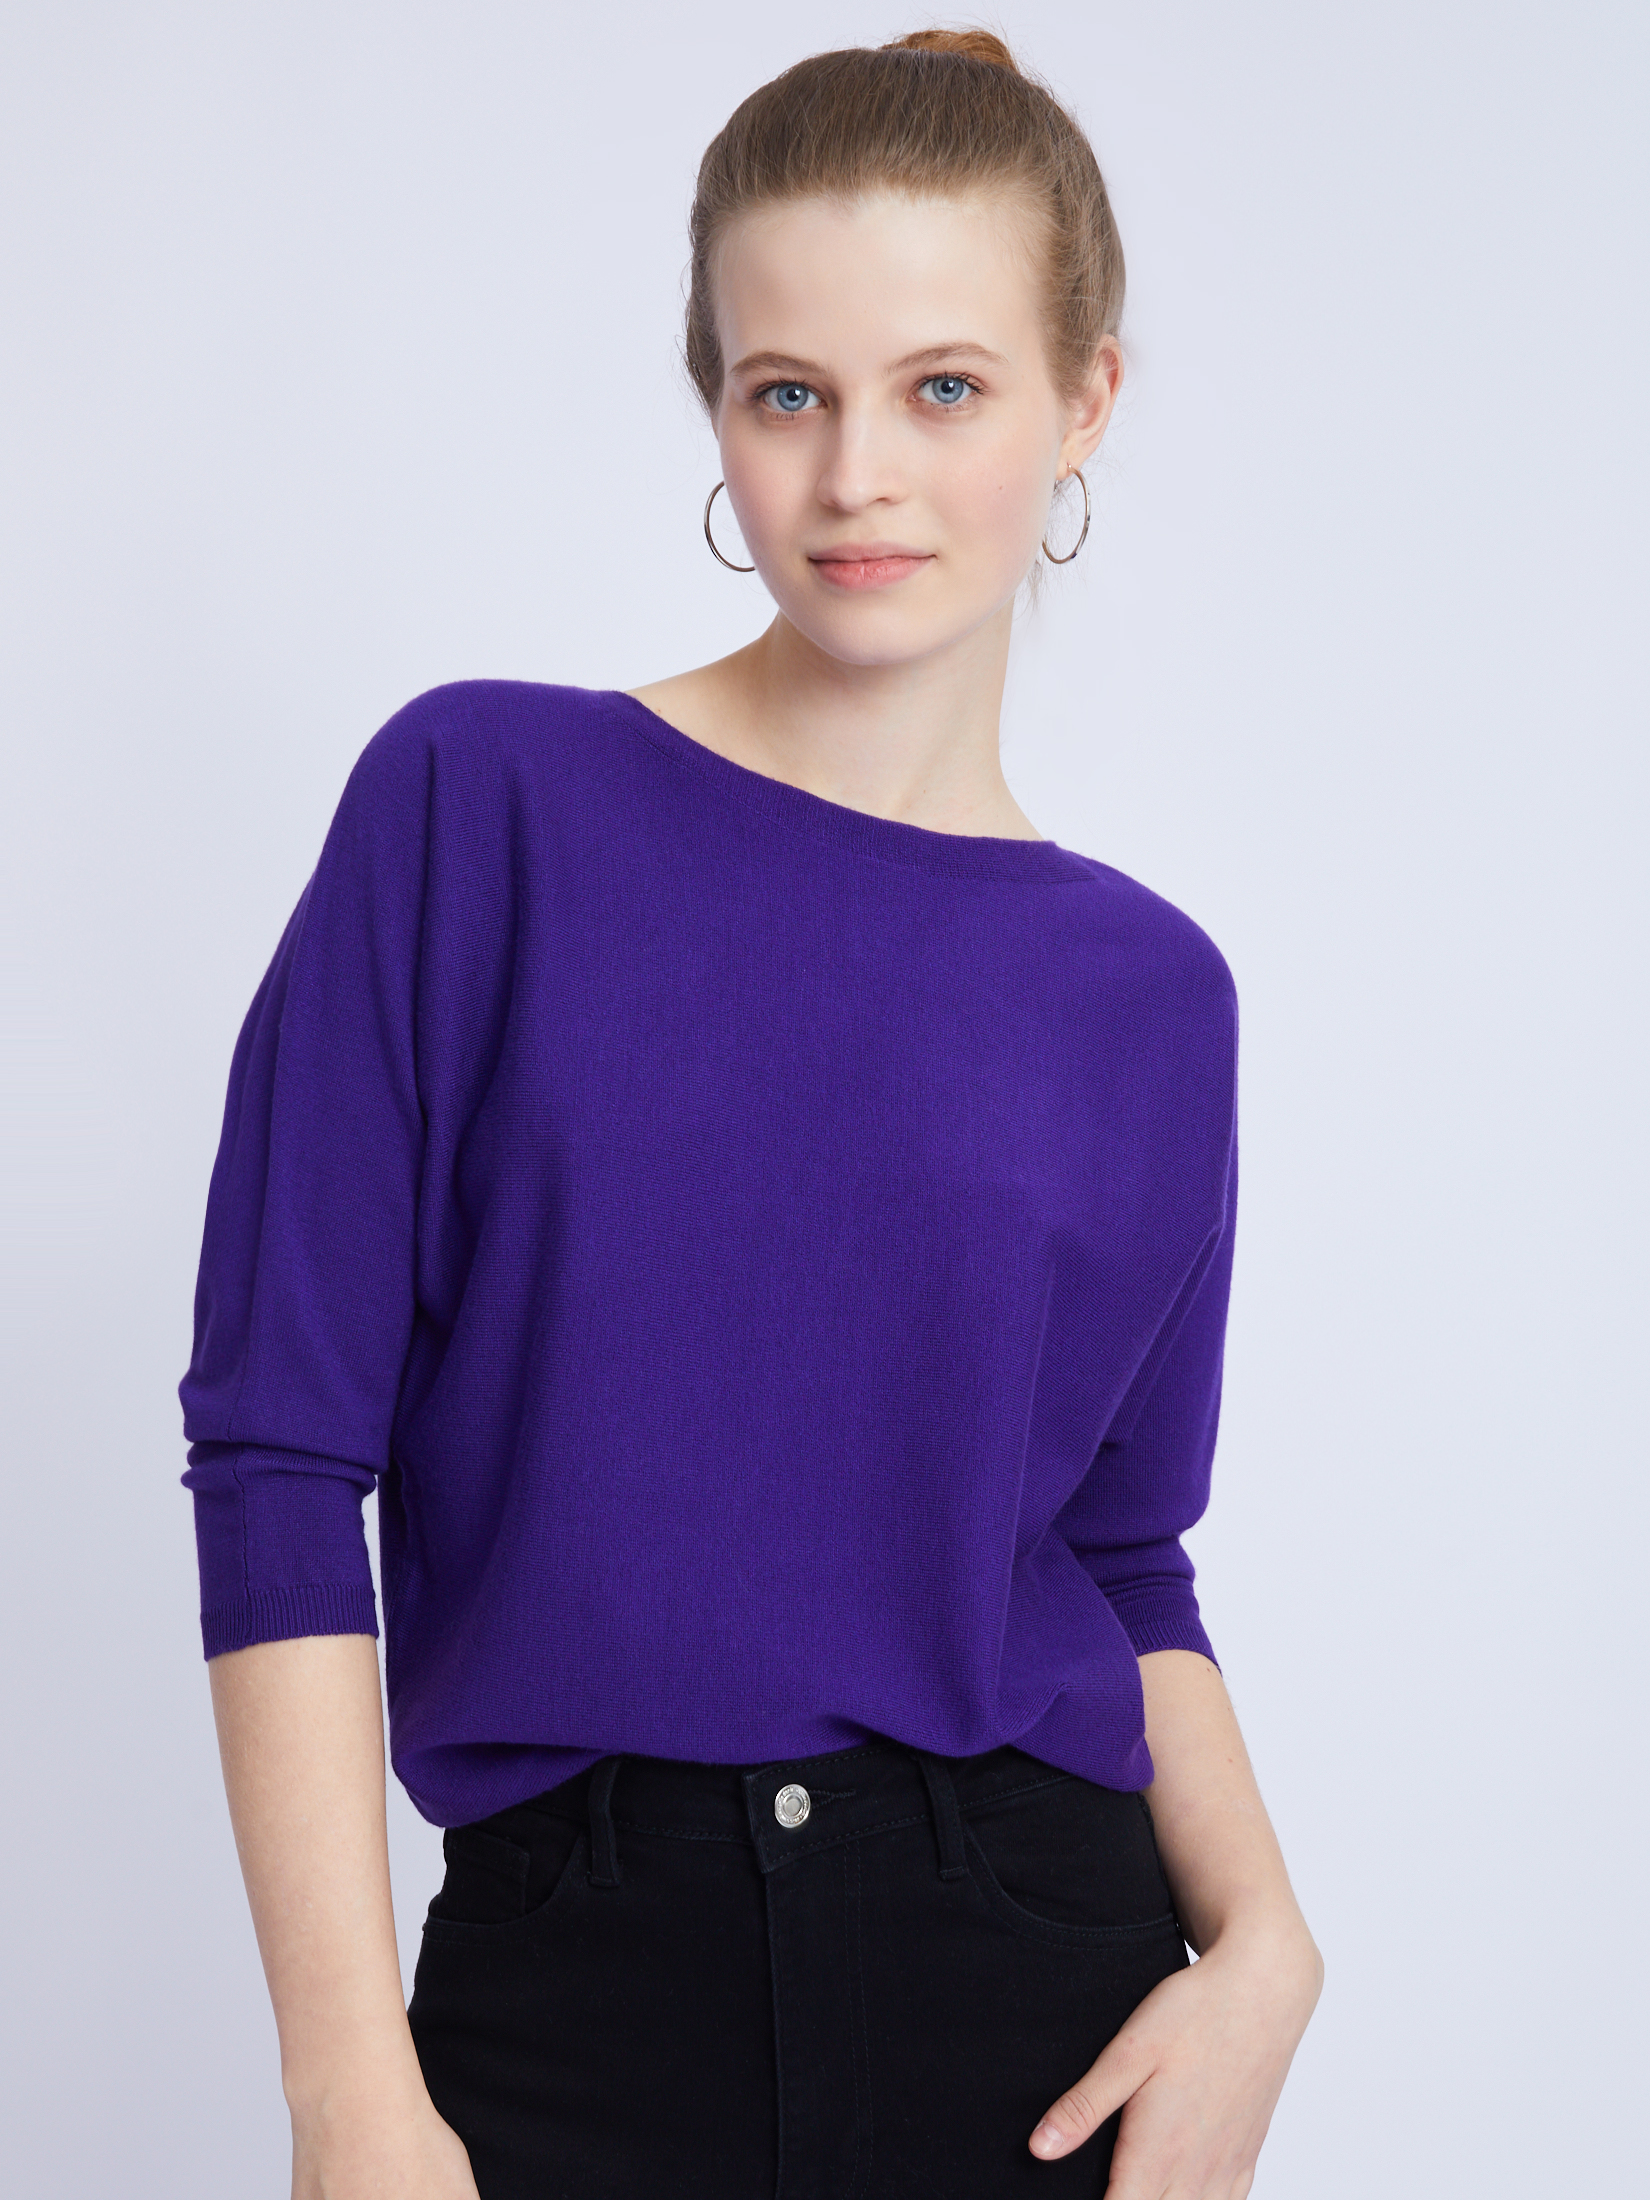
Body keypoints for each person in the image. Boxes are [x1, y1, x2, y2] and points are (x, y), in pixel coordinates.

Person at [181, 27, 1323, 2200]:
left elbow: (1119, 1553)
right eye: (787, 391)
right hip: (569, 1995)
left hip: (1032, 1996)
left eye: (944, 387)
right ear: (714, 402)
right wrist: (347, 2087)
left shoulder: (1151, 994)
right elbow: (279, 1454)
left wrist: (1266, 1941)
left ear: (1087, 398)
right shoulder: (478, 806)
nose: (857, 474)